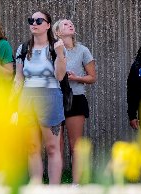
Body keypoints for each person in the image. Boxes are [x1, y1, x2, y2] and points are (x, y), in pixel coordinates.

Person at [14, 10, 67, 184]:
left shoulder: (56, 47)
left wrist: (60, 55)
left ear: (48, 25)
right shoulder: (22, 48)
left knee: (52, 147)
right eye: (31, 20)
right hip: (27, 98)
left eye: (38, 20)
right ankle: (36, 188)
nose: (34, 23)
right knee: (32, 147)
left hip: (50, 96)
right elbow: (18, 78)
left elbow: (59, 76)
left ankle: (53, 191)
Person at [53, 18, 96, 184]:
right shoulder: (52, 50)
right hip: (55, 98)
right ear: (57, 32)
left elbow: (92, 77)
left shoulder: (83, 50)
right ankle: (56, 184)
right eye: (65, 24)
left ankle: (77, 184)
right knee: (56, 145)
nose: (70, 24)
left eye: (71, 23)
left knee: (75, 144)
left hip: (76, 98)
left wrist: (76, 77)